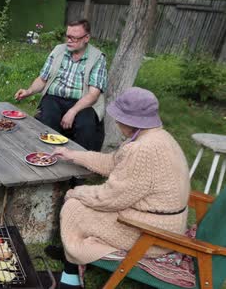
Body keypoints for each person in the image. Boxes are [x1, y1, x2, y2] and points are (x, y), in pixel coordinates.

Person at [50, 87, 190, 288]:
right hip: (162, 220)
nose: (116, 122)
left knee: (74, 208)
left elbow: (109, 198)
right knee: (80, 203)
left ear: (129, 121)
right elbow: (113, 162)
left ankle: (70, 274)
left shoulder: (142, 150)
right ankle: (70, 252)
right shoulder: (158, 137)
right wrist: (72, 155)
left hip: (152, 233)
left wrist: (77, 193)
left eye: (118, 118)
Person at [14, 19, 107, 151]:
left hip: (83, 102)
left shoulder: (97, 57)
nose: (68, 40)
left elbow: (93, 95)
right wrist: (28, 91)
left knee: (85, 126)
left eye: (74, 38)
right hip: (54, 98)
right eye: (67, 36)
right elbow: (43, 79)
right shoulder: (58, 51)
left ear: (86, 38)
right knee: (48, 120)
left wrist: (73, 111)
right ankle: (45, 155)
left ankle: (83, 162)